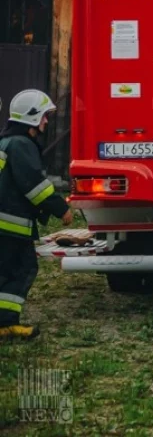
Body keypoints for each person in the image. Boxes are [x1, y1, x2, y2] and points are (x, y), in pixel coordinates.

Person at [0, 90, 73, 340]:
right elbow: (33, 186)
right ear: (32, 118)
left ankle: (5, 322)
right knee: (22, 268)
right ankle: (6, 323)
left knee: (8, 272)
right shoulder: (21, 145)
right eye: (44, 116)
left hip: (6, 225)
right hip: (8, 226)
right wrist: (60, 208)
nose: (46, 122)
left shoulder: (8, 142)